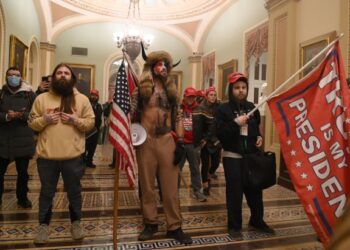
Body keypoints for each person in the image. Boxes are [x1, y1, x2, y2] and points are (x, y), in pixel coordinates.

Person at [130, 44, 192, 245]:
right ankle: (150, 223)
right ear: (152, 66)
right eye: (159, 64)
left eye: (165, 64)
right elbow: (129, 115)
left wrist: (181, 142)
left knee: (170, 188)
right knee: (147, 186)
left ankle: (174, 226)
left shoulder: (172, 92)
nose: (162, 67)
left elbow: (179, 118)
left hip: (167, 142)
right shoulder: (141, 91)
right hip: (145, 142)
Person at [28, 63, 95, 244]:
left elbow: (90, 123)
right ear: (53, 76)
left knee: (74, 192)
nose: (63, 75)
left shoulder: (81, 99)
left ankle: (76, 224)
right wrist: (44, 119)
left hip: (73, 158)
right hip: (47, 158)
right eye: (59, 73)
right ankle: (43, 226)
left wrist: (75, 120)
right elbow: (32, 122)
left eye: (66, 73)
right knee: (46, 193)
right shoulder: (41, 99)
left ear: (71, 77)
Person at [214, 72, 274, 238]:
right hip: (232, 157)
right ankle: (234, 226)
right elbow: (220, 133)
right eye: (237, 88)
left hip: (251, 158)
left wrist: (259, 138)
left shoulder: (251, 107)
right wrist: (235, 123)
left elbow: (255, 129)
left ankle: (257, 220)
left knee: (255, 190)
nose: (241, 90)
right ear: (231, 89)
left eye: (243, 87)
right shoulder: (222, 110)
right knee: (235, 192)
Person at [0, 67, 36, 208]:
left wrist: (22, 115)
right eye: (11, 75)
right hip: (3, 139)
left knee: (23, 173)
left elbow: (35, 114)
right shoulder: (1, 93)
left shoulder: (30, 95)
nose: (14, 77)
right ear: (6, 77)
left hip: (23, 140)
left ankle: (22, 198)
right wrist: (7, 116)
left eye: (17, 75)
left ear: (21, 77)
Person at [179, 87, 207, 202]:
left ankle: (197, 192)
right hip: (179, 144)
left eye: (193, 97)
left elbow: (208, 124)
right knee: (176, 170)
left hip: (194, 144)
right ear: (184, 96)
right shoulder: (178, 108)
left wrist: (205, 138)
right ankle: (174, 192)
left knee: (195, 169)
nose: (191, 99)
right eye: (189, 96)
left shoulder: (200, 109)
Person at [193, 86, 221, 196]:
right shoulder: (201, 107)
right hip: (205, 139)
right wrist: (202, 139)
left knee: (216, 163)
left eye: (214, 95)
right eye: (211, 95)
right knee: (205, 164)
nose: (213, 97)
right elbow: (199, 126)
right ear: (206, 96)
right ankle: (205, 185)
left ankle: (209, 174)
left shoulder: (219, 106)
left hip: (216, 139)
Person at [84, 89, 103, 168]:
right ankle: (83, 162)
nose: (94, 97)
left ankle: (89, 162)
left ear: (97, 97)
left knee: (92, 148)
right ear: (90, 96)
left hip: (95, 131)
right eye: (92, 95)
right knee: (84, 148)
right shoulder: (86, 105)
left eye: (95, 95)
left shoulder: (99, 106)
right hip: (86, 131)